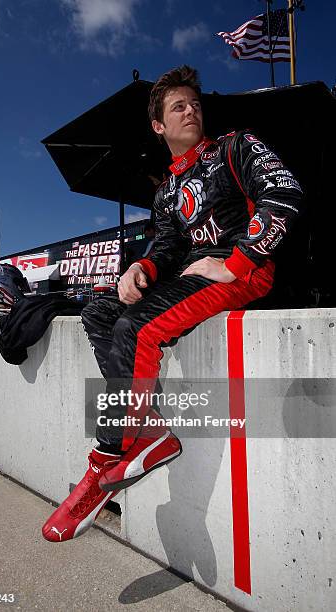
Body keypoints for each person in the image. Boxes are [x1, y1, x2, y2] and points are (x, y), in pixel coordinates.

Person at [42, 65, 302, 542]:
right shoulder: (165, 193)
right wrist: (141, 269)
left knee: (137, 330)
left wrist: (237, 261)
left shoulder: (234, 147)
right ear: (159, 127)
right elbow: (165, 249)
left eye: (195, 104)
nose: (191, 110)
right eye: (178, 106)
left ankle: (103, 464)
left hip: (242, 271)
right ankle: (149, 430)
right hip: (192, 277)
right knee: (100, 310)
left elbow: (284, 194)